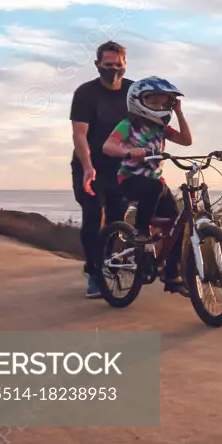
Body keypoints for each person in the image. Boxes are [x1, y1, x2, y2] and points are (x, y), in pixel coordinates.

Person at [102, 76, 193, 296]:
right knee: (153, 188)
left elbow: (186, 140)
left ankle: (171, 275)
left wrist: (179, 112)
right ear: (138, 101)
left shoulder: (162, 128)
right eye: (155, 102)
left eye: (164, 103)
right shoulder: (128, 126)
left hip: (156, 184)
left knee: (176, 222)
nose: (160, 107)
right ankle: (141, 232)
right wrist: (127, 152)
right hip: (130, 180)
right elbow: (108, 146)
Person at [70, 41, 132, 298]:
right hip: (90, 166)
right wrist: (87, 167)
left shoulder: (133, 91)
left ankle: (104, 261)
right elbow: (79, 134)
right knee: (93, 215)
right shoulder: (86, 93)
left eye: (118, 65)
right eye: (108, 65)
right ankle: (95, 274)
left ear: (125, 65)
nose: (114, 70)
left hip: (121, 168)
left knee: (117, 221)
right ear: (97, 65)